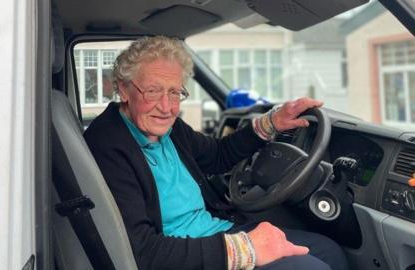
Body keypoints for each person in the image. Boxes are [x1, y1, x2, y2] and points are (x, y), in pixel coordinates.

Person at [84, 36, 348, 270]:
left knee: (330, 252)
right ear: (123, 89)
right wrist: (245, 249)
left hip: (218, 231)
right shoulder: (108, 144)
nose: (167, 107)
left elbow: (217, 154)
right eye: (152, 91)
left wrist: (272, 123)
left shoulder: (169, 128)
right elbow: (142, 253)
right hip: (185, 254)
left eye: (175, 92)